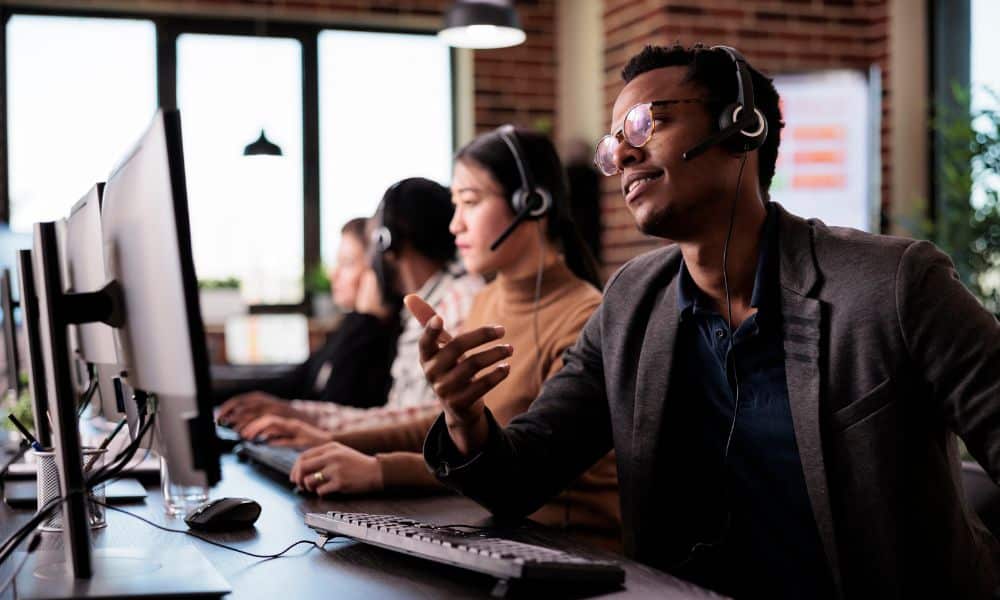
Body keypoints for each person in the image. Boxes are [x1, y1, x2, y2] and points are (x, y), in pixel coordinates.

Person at [414, 43, 1000, 599]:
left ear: (742, 126)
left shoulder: (894, 285)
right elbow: (520, 479)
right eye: (612, 143)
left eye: (646, 124)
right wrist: (465, 417)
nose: (621, 155)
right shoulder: (629, 305)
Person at [271, 127, 621, 535]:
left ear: (531, 203)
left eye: (470, 202)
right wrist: (331, 441)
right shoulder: (486, 303)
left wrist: (378, 470)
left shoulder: (583, 318)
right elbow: (449, 428)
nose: (455, 225)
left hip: (569, 545)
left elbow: (504, 458)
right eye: (454, 205)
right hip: (495, 527)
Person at [219, 177, 483, 432]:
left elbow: (429, 426)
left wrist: (313, 426)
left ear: (386, 242)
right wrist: (299, 415)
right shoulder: (422, 305)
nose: (371, 261)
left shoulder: (453, 303)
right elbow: (402, 415)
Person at [213, 218, 399, 411]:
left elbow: (338, 401)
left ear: (378, 271)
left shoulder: (379, 338)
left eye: (347, 263)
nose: (333, 274)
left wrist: (367, 318)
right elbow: (295, 381)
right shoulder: (349, 326)